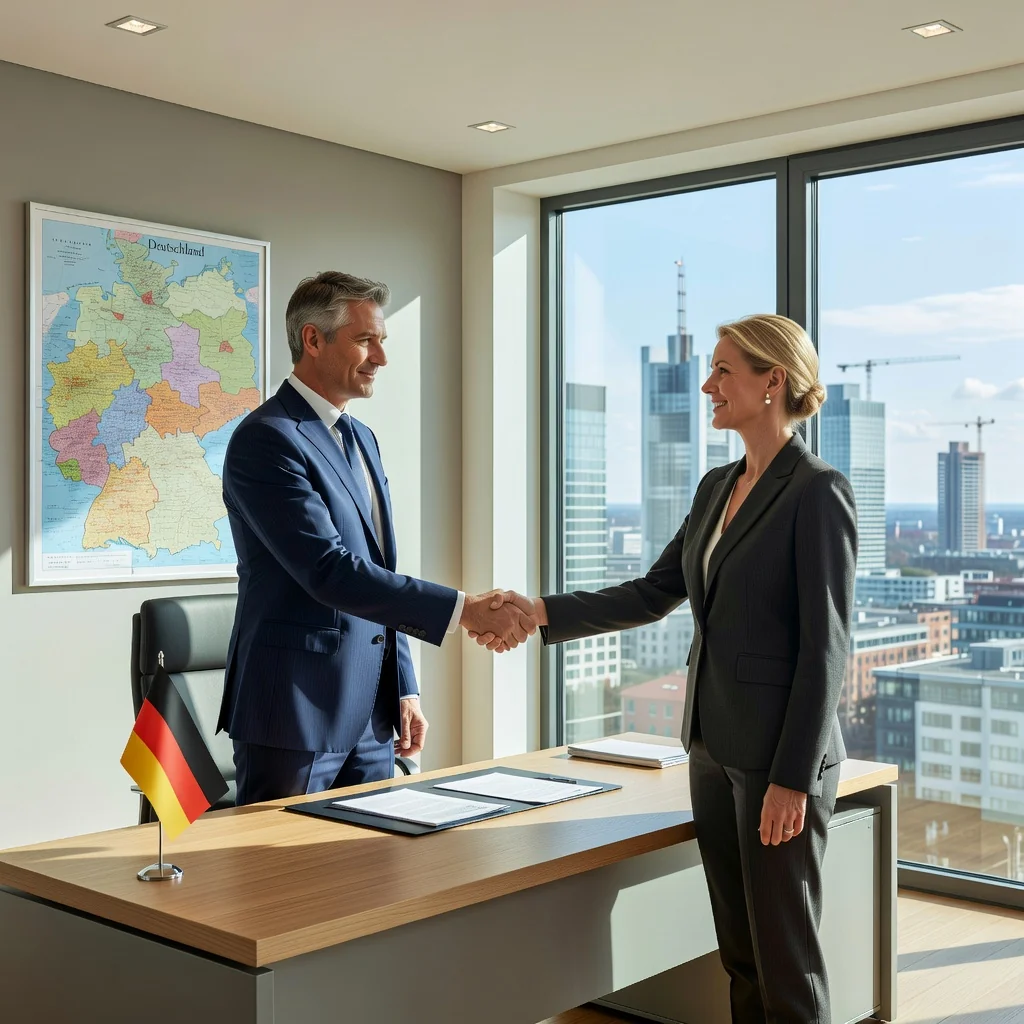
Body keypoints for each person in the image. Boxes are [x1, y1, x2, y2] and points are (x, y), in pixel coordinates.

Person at [479, 314, 857, 1023]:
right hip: (712, 748)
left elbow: (826, 649)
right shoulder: (718, 487)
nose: (707, 385)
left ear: (772, 380)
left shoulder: (816, 491)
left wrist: (791, 779)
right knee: (741, 955)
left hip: (779, 759)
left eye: (722, 370)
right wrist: (537, 610)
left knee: (787, 960)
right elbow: (653, 593)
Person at [218, 271, 535, 804]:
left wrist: (403, 686)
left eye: (381, 341)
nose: (380, 358)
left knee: (378, 873)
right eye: (366, 340)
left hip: (373, 719)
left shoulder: (361, 437)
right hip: (295, 716)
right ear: (313, 339)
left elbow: (380, 570)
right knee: (283, 881)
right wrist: (465, 609)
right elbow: (330, 570)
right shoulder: (266, 440)